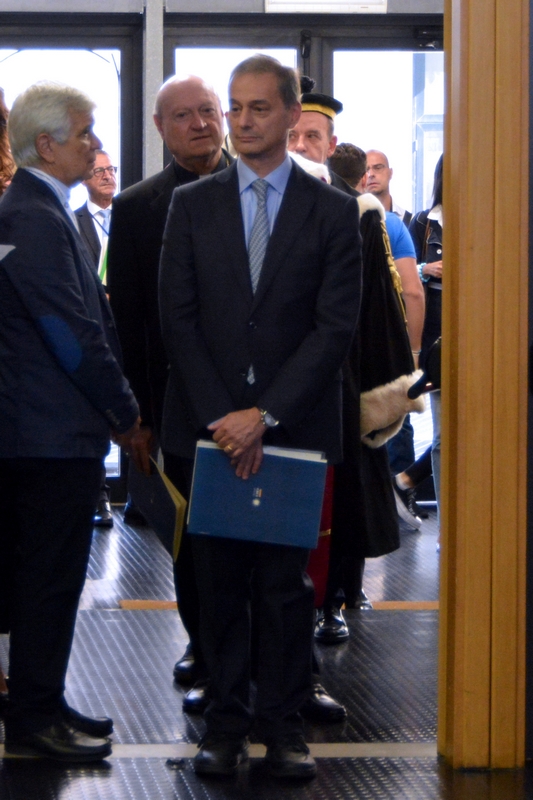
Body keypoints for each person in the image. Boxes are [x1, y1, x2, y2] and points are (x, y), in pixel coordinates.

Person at [159, 55, 362, 779]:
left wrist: (264, 415)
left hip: (293, 430)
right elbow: (177, 320)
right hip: (212, 432)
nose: (241, 122)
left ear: (289, 113)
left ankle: (282, 729)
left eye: (258, 108)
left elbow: (333, 329)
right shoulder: (193, 205)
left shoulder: (332, 210)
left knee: (284, 589)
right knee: (217, 586)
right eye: (235, 107)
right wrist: (227, 417)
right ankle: (222, 727)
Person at [0, 81, 149, 762]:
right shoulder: (32, 215)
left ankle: (44, 702)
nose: (95, 145)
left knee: (51, 580)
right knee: (48, 580)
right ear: (46, 144)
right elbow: (68, 331)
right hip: (47, 438)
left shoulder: (38, 207)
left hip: (47, 432)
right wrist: (125, 411)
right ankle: (33, 722)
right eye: (85, 133)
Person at [107, 76, 233, 696]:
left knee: (270, 543)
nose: (199, 124)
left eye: (208, 111)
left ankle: (282, 663)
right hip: (178, 404)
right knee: (194, 540)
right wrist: (139, 417)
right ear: (160, 127)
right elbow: (130, 322)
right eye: (182, 116)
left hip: (261, 404)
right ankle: (204, 649)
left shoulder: (267, 191)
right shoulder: (136, 208)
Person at [288, 92, 422, 643]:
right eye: (293, 136)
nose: (300, 146)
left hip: (338, 386)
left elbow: (378, 311)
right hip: (272, 387)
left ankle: (334, 600)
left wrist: (382, 394)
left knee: (341, 500)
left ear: (332, 145)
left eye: (311, 137)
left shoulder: (362, 212)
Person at [396, 155, 444, 527]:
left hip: (479, 336)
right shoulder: (425, 222)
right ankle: (447, 528)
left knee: (467, 428)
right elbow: (407, 279)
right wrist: (428, 269)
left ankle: (405, 480)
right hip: (437, 341)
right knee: (445, 431)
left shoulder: (487, 219)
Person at [75, 150, 118, 528]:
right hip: (94, 331)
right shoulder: (71, 223)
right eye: (99, 171)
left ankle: (145, 497)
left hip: (130, 330)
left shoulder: (131, 216)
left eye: (111, 169)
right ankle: (100, 496)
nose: (107, 176)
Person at [366, 148, 412, 226]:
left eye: (378, 168)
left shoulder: (410, 221)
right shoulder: (353, 220)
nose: (371, 174)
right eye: (365, 170)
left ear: (390, 173)